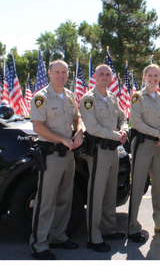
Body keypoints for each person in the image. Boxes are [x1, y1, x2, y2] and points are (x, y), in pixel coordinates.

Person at [30, 60, 84, 263]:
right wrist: (62, 138)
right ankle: (38, 245)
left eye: (64, 72)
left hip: (68, 155)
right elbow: (38, 127)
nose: (61, 76)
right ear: (49, 73)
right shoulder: (41, 97)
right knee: (45, 202)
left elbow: (77, 118)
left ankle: (58, 237)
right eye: (57, 72)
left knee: (64, 200)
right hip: (51, 156)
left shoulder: (70, 96)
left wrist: (79, 132)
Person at [80, 64, 129, 253]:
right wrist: (117, 135)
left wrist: (124, 129)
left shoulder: (111, 97)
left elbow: (122, 117)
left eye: (108, 74)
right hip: (99, 151)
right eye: (101, 73)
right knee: (96, 193)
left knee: (110, 192)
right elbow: (92, 128)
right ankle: (93, 237)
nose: (105, 76)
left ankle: (108, 229)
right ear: (95, 76)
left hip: (113, 151)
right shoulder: (88, 99)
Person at [128, 64, 160, 243]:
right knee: (138, 186)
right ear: (144, 76)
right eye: (150, 75)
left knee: (158, 186)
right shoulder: (137, 98)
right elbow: (136, 123)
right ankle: (132, 227)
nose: (153, 78)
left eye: (156, 75)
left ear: (159, 77)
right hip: (143, 145)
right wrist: (159, 134)